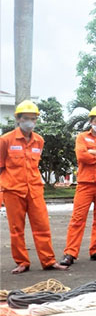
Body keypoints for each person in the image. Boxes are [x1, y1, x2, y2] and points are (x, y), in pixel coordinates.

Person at [0, 100, 68, 274]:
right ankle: (22, 262)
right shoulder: (5, 140)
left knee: (42, 226)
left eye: (33, 118)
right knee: (17, 229)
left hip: (35, 190)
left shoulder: (39, 140)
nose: (30, 122)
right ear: (18, 119)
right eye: (26, 118)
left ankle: (49, 261)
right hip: (13, 190)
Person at [61, 104, 96, 265]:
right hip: (85, 184)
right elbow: (82, 155)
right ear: (91, 121)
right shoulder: (81, 137)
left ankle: (95, 249)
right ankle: (70, 252)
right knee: (78, 219)